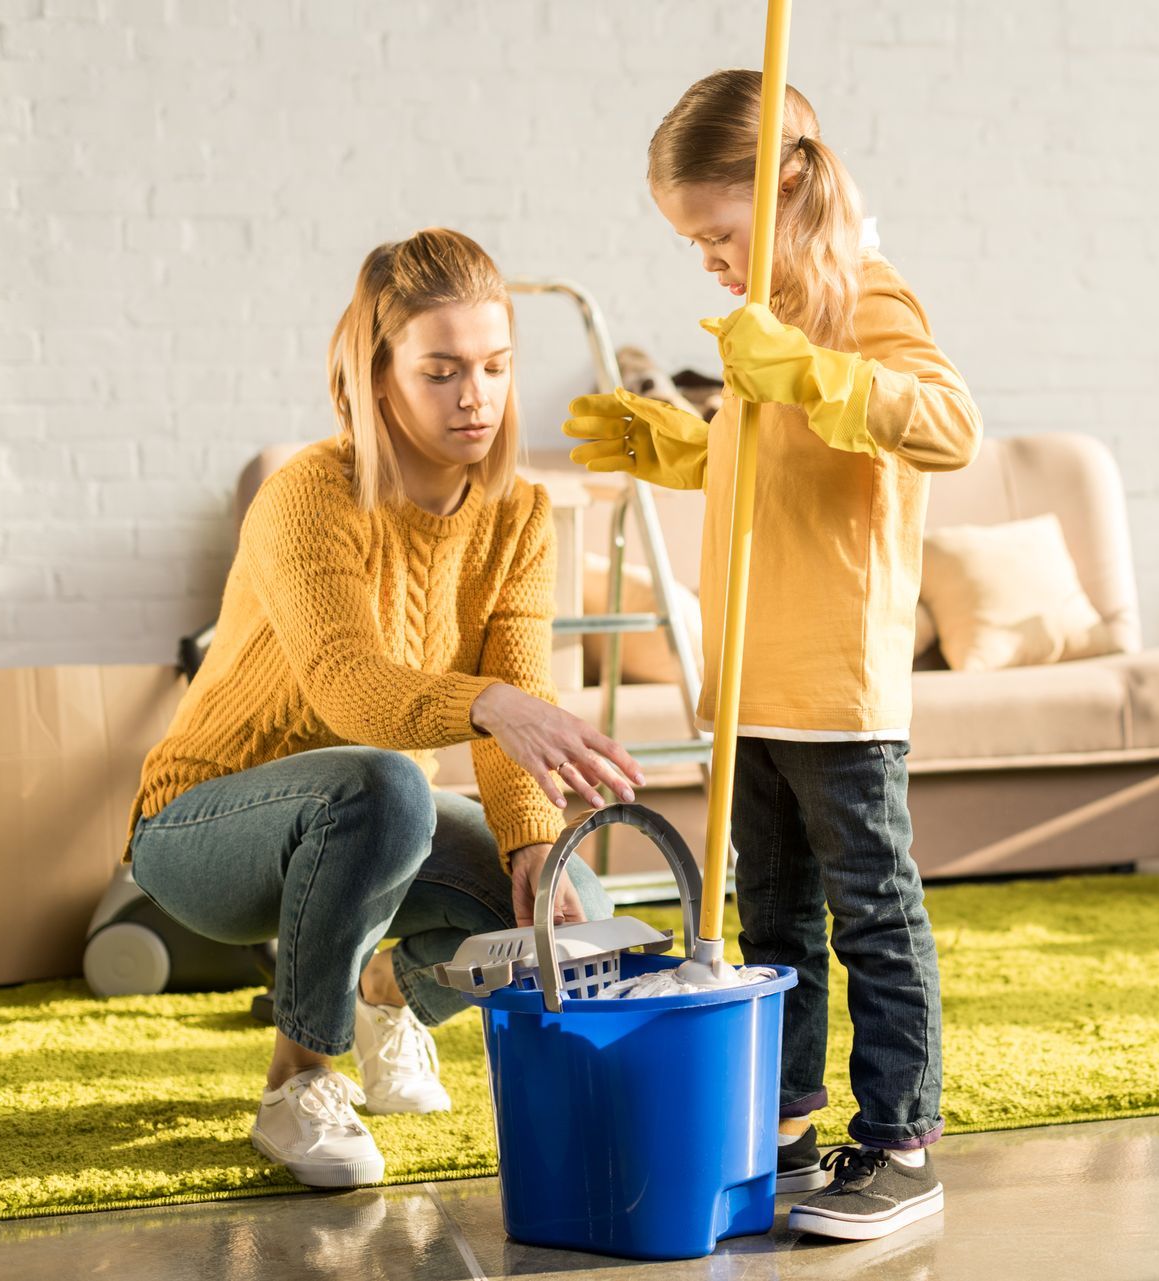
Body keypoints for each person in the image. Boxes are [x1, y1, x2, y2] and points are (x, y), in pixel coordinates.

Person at [127, 228, 644, 1189]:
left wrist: (534, 837)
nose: (475, 395)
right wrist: (492, 705)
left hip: (373, 823)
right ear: (378, 375)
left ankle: (381, 989)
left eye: (494, 367)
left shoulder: (521, 515)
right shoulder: (304, 497)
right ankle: (298, 1081)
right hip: (208, 823)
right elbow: (347, 686)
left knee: (577, 921)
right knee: (383, 781)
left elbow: (517, 697)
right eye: (441, 370)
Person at [564, 71, 981, 1241]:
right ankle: (787, 1124)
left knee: (873, 917)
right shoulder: (761, 330)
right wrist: (685, 447)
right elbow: (777, 470)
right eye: (691, 240)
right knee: (777, 927)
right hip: (753, 685)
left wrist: (812, 371)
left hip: (841, 689)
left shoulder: (862, 301)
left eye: (717, 230)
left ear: (786, 180)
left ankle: (900, 1143)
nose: (705, 257)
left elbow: (947, 425)